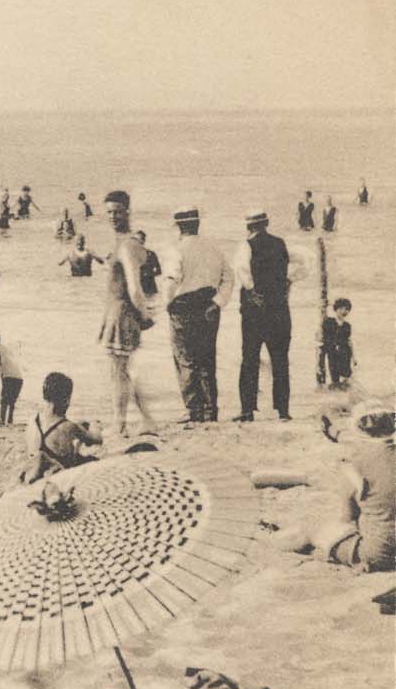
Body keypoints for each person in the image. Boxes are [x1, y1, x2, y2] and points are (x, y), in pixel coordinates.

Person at [257, 399, 394, 573]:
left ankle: (269, 540)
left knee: (312, 530)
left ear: (358, 430)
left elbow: (347, 519)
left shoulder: (355, 466)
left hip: (381, 555)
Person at [97, 191, 160, 436]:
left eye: (117, 211)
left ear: (128, 212)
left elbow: (135, 287)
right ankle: (145, 419)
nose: (113, 216)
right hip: (117, 311)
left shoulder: (128, 245)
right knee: (123, 370)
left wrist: (144, 314)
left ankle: (121, 424)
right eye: (109, 212)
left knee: (119, 371)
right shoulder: (124, 243)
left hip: (122, 312)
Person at [161, 207, 232, 423]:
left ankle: (193, 409)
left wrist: (167, 302)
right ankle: (210, 410)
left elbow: (172, 280)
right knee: (207, 359)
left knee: (185, 359)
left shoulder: (176, 250)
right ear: (197, 224)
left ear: (180, 227)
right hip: (208, 305)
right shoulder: (214, 248)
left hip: (184, 305)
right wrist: (218, 302)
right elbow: (228, 278)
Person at [233, 210, 295, 422]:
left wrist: (252, 290)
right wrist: (289, 282)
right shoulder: (280, 243)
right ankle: (283, 410)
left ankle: (248, 410)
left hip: (255, 310)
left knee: (250, 358)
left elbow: (242, 272)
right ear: (266, 223)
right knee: (280, 359)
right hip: (279, 308)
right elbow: (304, 263)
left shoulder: (246, 246)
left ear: (248, 227)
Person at [19, 373, 104, 483]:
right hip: (58, 478)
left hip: (34, 471)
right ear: (66, 399)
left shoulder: (32, 421)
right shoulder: (68, 427)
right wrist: (95, 426)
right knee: (94, 462)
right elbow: (97, 439)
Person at [0, 332, 24, 427]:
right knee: (11, 401)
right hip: (19, 377)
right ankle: (10, 420)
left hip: (8, 377)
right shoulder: (5, 348)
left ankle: (2, 419)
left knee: (4, 400)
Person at [320, 298, 355, 387]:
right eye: (344, 308)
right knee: (334, 375)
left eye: (347, 309)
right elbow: (325, 338)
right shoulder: (329, 322)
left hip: (345, 353)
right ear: (337, 309)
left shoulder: (347, 325)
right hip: (333, 353)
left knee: (346, 375)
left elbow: (349, 341)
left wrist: (354, 357)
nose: (345, 311)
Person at [134, 230, 162, 297]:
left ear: (143, 241)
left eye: (138, 240)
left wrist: (148, 274)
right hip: (136, 289)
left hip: (149, 288)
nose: (135, 242)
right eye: (134, 240)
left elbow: (159, 271)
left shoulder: (151, 254)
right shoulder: (130, 256)